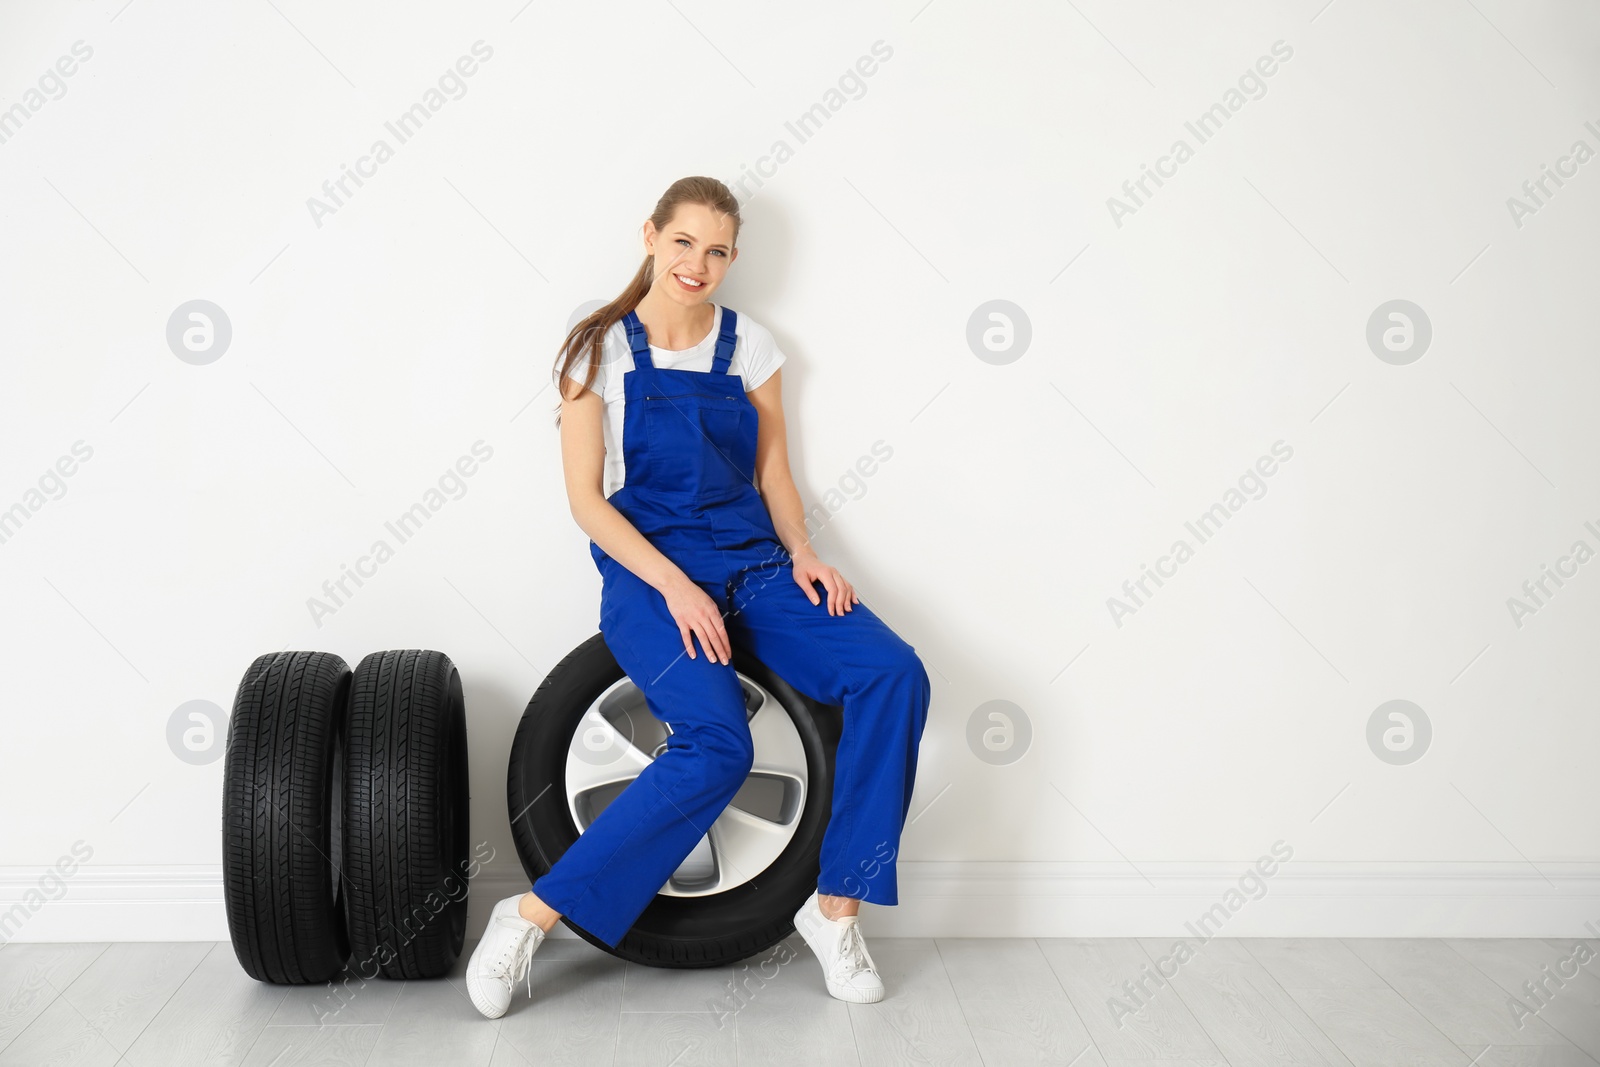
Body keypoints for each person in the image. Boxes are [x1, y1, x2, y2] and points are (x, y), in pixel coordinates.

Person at [465, 176, 931, 1019]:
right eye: (684, 242)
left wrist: (805, 553)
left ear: (732, 258)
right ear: (650, 235)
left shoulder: (751, 344)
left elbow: (772, 471)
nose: (698, 263)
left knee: (893, 672)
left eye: (716, 250)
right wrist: (676, 585)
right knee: (718, 746)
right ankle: (531, 914)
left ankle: (835, 910)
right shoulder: (598, 349)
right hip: (648, 571)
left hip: (754, 562)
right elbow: (586, 504)